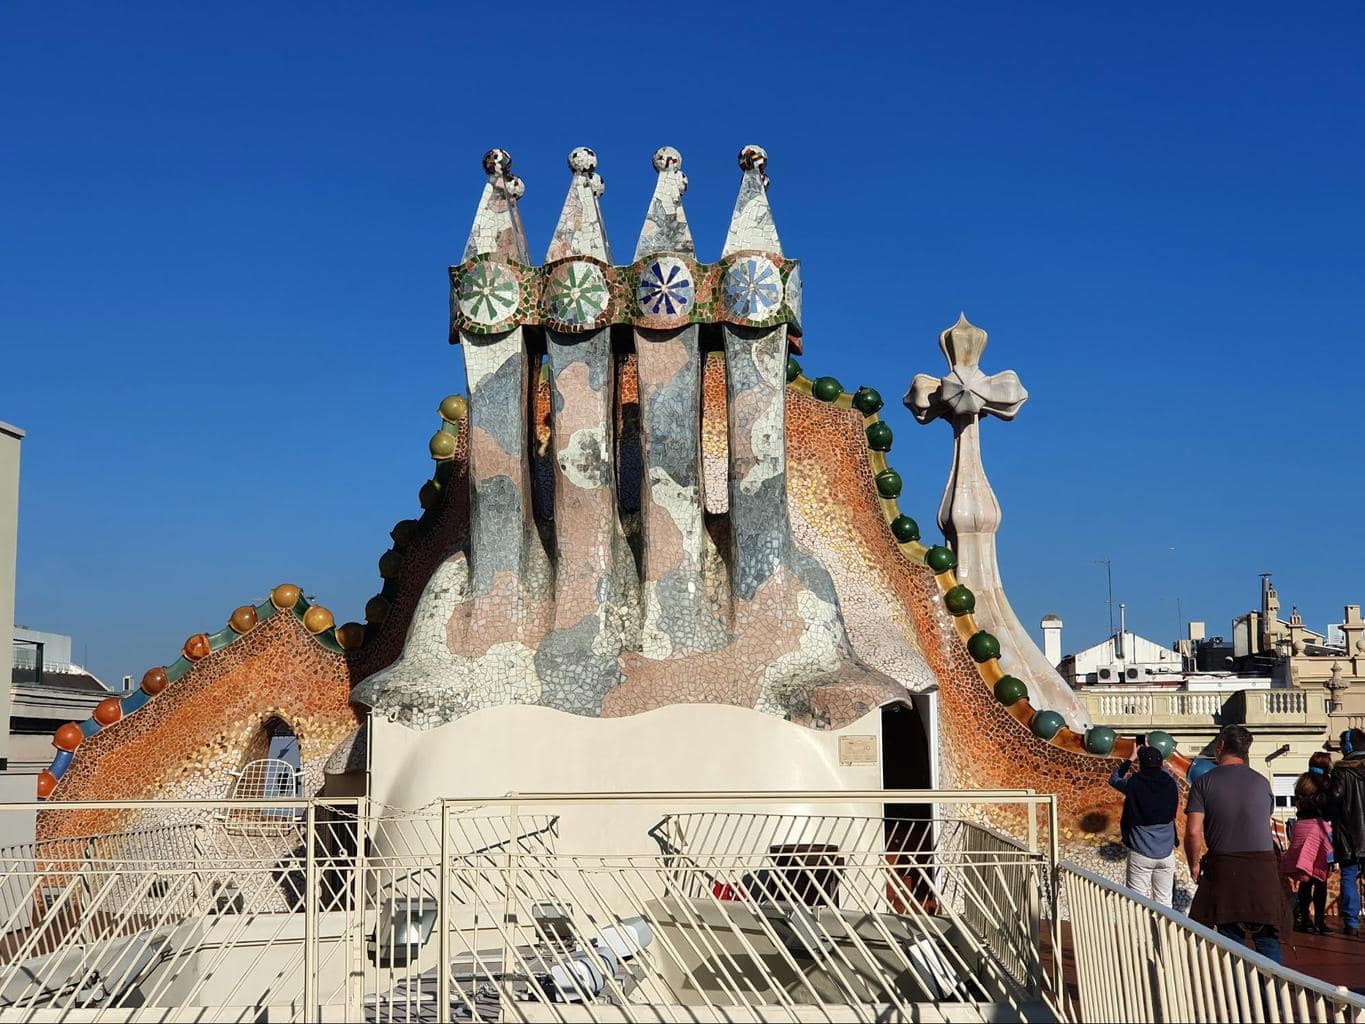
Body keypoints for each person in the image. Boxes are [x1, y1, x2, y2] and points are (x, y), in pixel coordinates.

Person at [1185, 724, 1287, 963]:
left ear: (1220, 747)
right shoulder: (1262, 782)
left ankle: (1241, 998)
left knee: (1232, 941)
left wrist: (1194, 864)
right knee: (1268, 940)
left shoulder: (1204, 782)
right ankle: (1274, 999)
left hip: (1227, 868)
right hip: (1263, 869)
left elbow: (1193, 831)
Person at [1107, 742, 1179, 905]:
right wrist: (1152, 753)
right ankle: (1163, 931)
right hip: (1166, 854)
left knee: (1138, 903)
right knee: (1164, 902)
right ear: (1160, 764)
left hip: (1141, 853)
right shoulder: (1170, 784)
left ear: (1141, 764)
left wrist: (1131, 757)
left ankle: (1143, 931)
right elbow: (1166, 773)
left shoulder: (1134, 784)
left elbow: (1114, 779)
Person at [1281, 752, 1333, 934]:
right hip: (1318, 829)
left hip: (1301, 827)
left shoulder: (1302, 782)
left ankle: (1304, 918)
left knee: (1306, 877)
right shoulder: (1326, 784)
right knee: (1320, 878)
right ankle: (1319, 921)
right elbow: (1329, 807)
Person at [1329, 728, 1365, 936]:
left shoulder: (1341, 771)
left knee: (1349, 877)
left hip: (1349, 835)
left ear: (1348, 747)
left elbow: (1335, 798)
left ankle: (1351, 923)